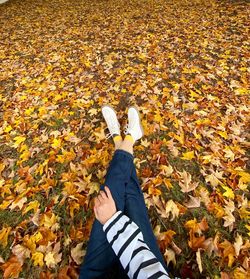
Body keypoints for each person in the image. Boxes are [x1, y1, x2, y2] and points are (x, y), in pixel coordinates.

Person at [79, 105, 169, 279]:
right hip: (149, 268)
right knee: (129, 194)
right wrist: (112, 221)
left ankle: (120, 140)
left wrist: (113, 221)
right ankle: (129, 137)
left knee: (115, 193)